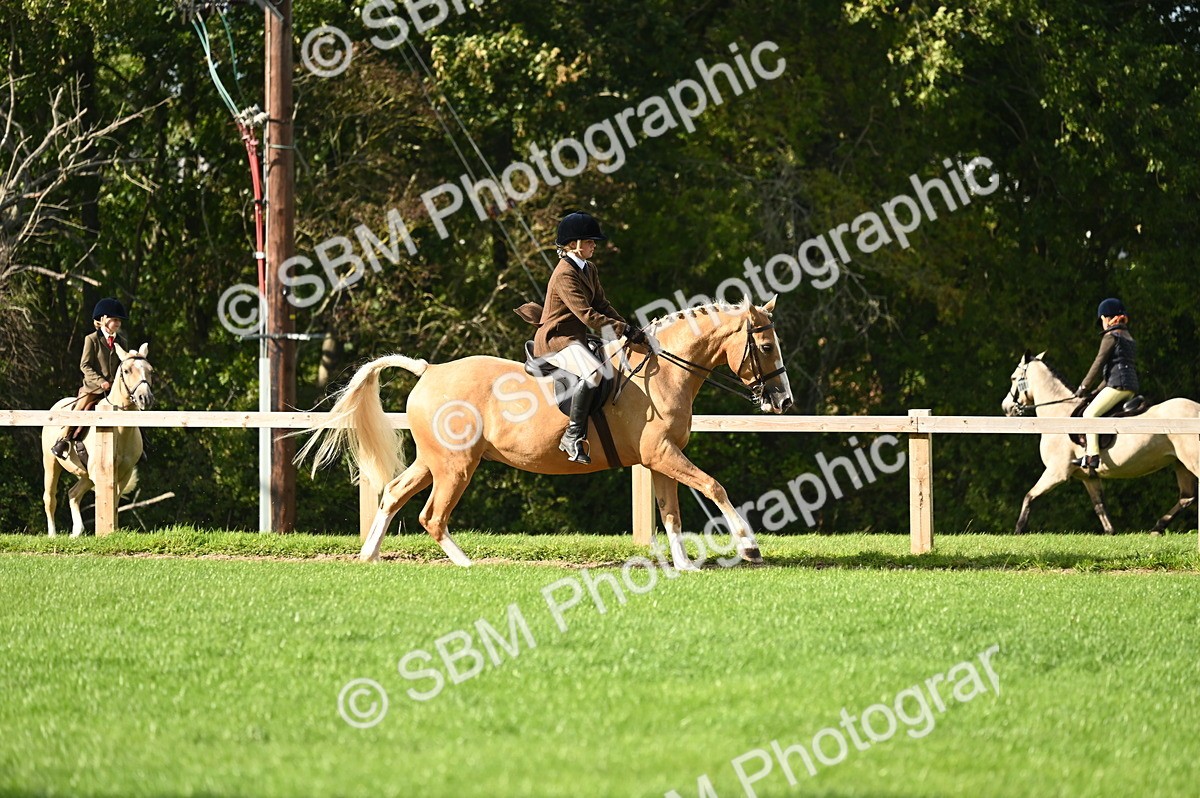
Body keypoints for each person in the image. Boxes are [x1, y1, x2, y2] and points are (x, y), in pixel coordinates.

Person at [533, 212, 647, 464]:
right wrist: (623, 330)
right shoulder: (564, 274)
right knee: (594, 373)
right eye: (590, 241)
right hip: (557, 340)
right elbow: (587, 315)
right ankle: (572, 435)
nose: (594, 245)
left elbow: (602, 305)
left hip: (576, 339)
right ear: (573, 244)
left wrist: (628, 328)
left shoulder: (588, 269)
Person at [50, 298, 128, 460]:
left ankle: (140, 444)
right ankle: (63, 439)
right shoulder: (91, 339)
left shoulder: (122, 342)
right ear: (103, 320)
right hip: (93, 388)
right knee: (79, 411)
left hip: (114, 389)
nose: (118, 323)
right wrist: (101, 381)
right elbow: (84, 365)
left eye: (119, 320)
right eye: (114, 319)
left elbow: (124, 366)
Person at [1073, 297, 1139, 471]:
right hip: (1130, 385)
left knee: (1089, 414)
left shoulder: (1111, 336)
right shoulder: (1127, 336)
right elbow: (1114, 369)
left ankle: (1092, 456)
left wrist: (1084, 387)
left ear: (1108, 318)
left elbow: (1099, 362)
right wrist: (1096, 390)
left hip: (1119, 385)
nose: (1102, 324)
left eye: (1102, 319)